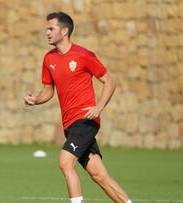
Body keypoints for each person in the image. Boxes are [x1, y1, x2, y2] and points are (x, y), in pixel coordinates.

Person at [24, 12, 132, 203]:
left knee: (65, 163)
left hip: (85, 122)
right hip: (70, 126)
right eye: (46, 29)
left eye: (51, 28)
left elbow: (110, 82)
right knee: (99, 176)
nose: (47, 32)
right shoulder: (49, 59)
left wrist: (99, 107)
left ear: (64, 31)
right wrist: (36, 100)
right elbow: (48, 90)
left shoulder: (84, 55)